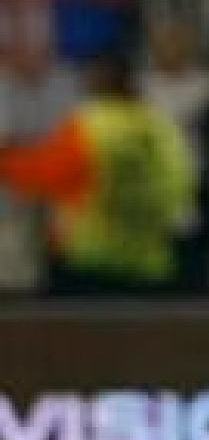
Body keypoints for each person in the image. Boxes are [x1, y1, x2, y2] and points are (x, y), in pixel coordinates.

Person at [0, 45, 195, 293]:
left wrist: (5, 161)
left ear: (98, 81)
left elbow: (47, 175)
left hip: (91, 260)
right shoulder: (159, 125)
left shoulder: (89, 126)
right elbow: (181, 183)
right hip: (150, 261)